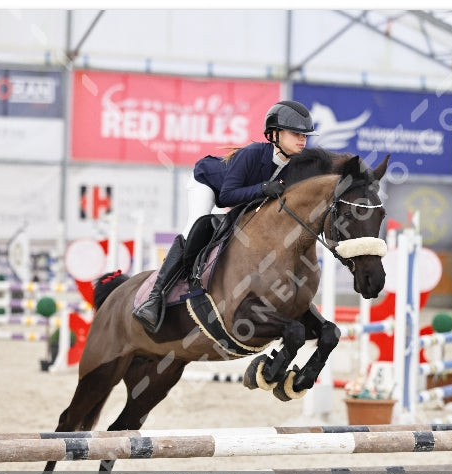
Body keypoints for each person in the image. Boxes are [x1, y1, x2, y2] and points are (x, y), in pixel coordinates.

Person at [132, 100, 317, 332]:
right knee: (195, 227)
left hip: (241, 198)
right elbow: (227, 196)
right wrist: (262, 189)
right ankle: (154, 297)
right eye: (296, 133)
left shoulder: (295, 166)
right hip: (209, 185)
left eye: (305, 135)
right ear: (274, 134)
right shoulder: (252, 154)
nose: (303, 139)